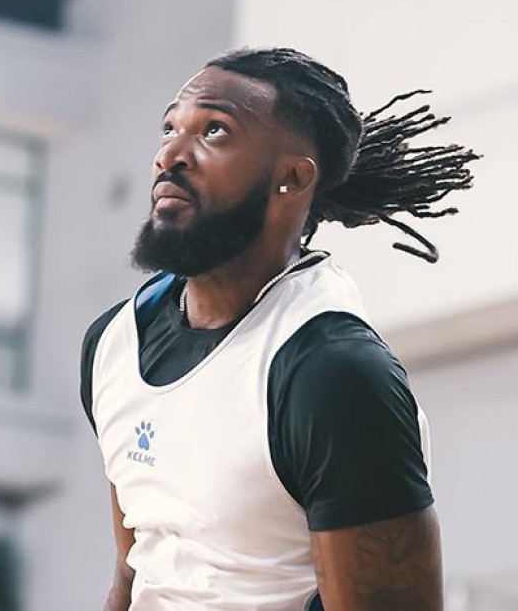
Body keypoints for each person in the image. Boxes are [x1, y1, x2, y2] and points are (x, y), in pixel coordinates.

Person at [79, 47, 479, 611]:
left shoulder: (334, 374)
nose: (171, 155)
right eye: (170, 128)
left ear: (291, 176)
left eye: (214, 131)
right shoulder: (112, 343)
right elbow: (134, 571)